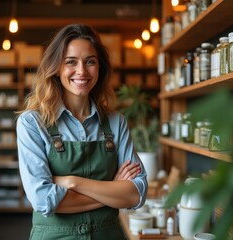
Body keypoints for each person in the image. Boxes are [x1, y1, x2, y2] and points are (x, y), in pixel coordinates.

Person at [16, 23, 148, 240]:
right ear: (56, 68)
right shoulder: (32, 123)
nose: (82, 71)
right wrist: (113, 189)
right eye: (71, 62)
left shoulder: (116, 122)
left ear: (100, 68)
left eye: (90, 62)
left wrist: (72, 182)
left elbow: (137, 192)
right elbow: (42, 200)